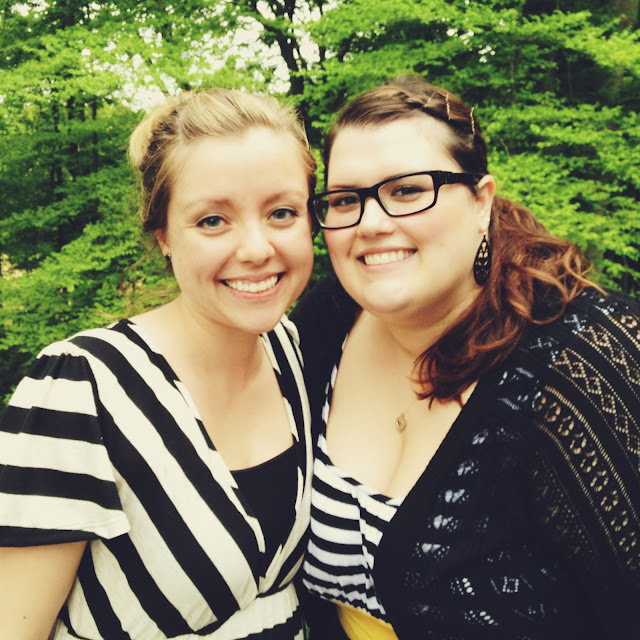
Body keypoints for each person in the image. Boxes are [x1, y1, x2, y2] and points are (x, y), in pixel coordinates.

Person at [291, 76, 640, 639]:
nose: (371, 223)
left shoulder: (584, 364)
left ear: (481, 201)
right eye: (346, 199)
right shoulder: (324, 324)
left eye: (408, 190)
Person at [0, 88, 316, 640]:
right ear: (164, 234)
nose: (256, 248)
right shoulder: (80, 388)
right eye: (213, 220)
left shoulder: (297, 351)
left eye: (282, 212)